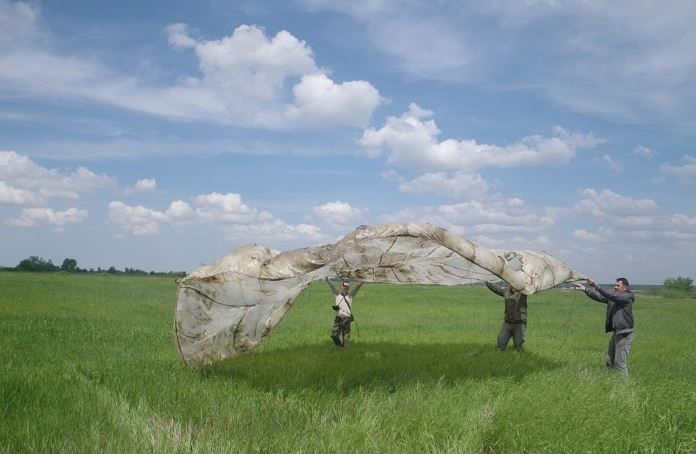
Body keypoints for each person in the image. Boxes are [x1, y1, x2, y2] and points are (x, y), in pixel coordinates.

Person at [574, 277, 635, 377]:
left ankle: (624, 387)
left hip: (625, 334)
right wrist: (585, 289)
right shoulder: (615, 297)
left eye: (617, 285)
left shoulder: (627, 297)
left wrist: (595, 285)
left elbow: (611, 296)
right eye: (615, 285)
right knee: (609, 361)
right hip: (616, 333)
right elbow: (600, 297)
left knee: (619, 363)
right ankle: (609, 381)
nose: (615, 287)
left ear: (625, 287)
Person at [485, 280, 528, 351]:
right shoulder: (506, 291)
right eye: (511, 284)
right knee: (501, 342)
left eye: (515, 284)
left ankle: (519, 357)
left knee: (518, 344)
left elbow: (530, 288)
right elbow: (497, 289)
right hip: (508, 322)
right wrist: (488, 283)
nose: (513, 286)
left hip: (519, 323)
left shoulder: (523, 292)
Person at [326, 277, 364, 347]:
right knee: (334, 336)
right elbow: (332, 287)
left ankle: (345, 351)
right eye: (344, 286)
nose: (345, 288)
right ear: (342, 286)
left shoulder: (351, 295)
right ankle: (340, 347)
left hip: (347, 319)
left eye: (347, 287)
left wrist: (362, 282)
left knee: (346, 337)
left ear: (348, 288)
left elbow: (357, 288)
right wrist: (327, 280)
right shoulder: (337, 294)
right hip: (338, 318)